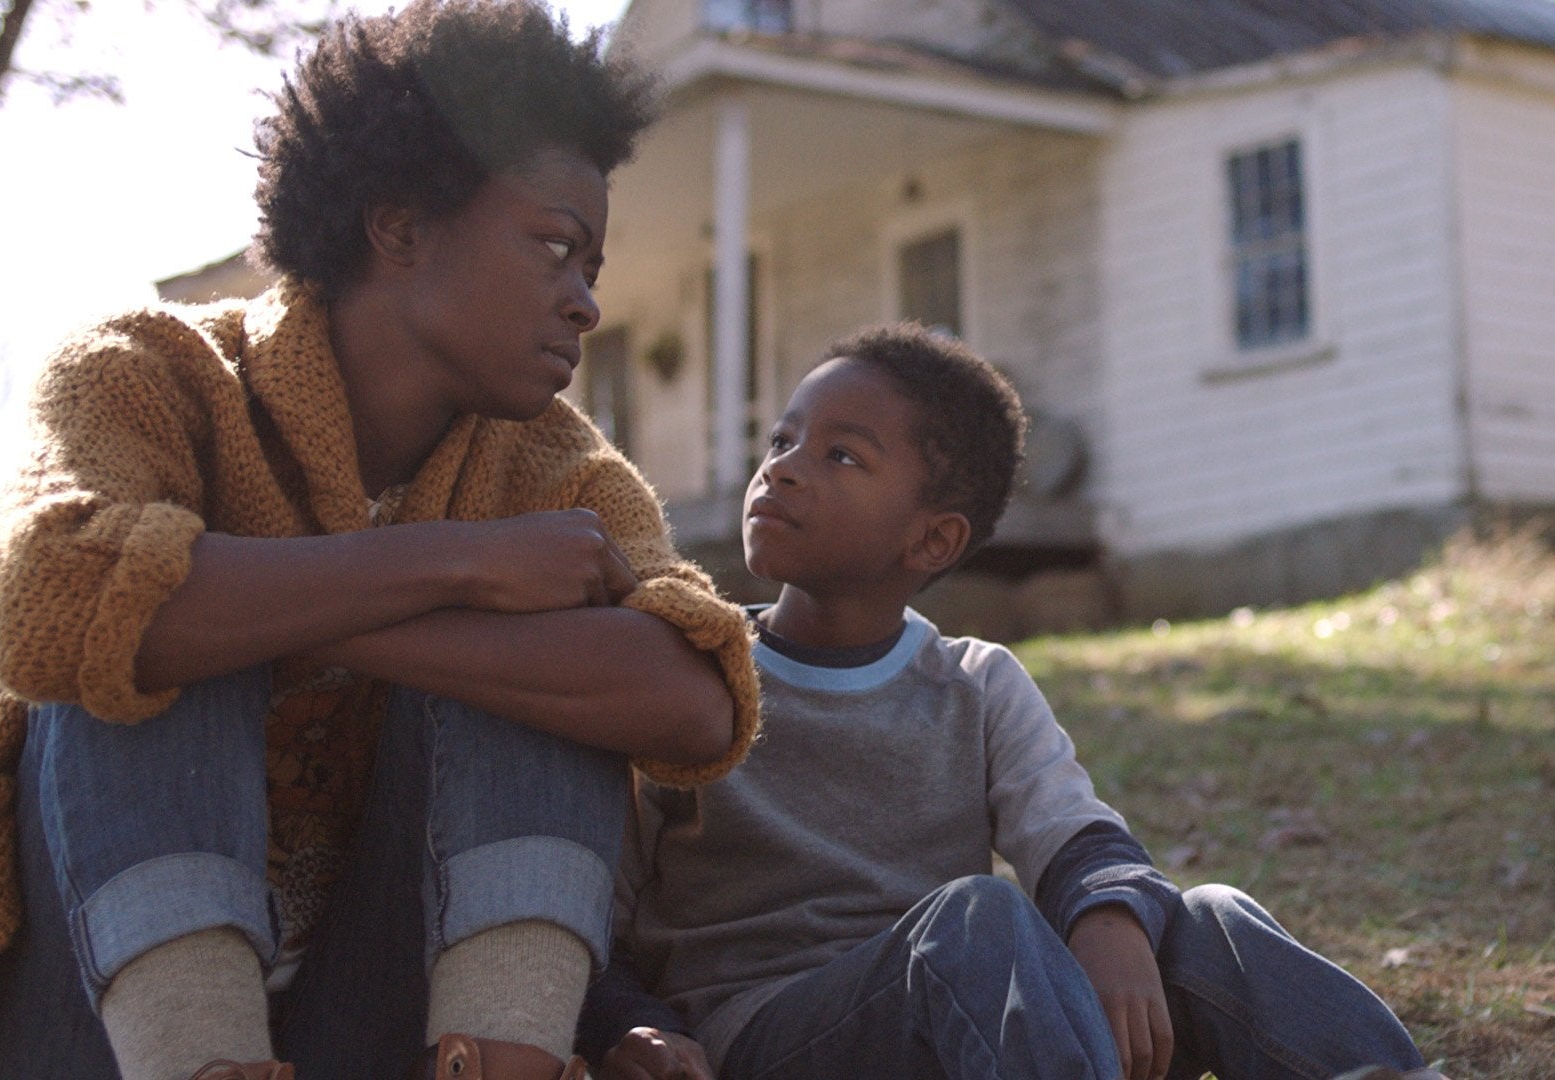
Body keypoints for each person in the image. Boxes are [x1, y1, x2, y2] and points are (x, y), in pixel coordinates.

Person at [0, 4, 760, 1079]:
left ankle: (501, 1059)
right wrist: (459, 567)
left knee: (549, 660)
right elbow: (45, 602)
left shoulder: (550, 464)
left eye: (593, 269)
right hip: (83, 1026)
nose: (586, 306)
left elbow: (694, 696)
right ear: (401, 226)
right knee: (137, 621)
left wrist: (360, 619)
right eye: (557, 249)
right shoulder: (146, 372)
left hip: (368, 1023)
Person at [575, 323, 1445, 1080]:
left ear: (933, 538)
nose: (784, 472)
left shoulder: (975, 682)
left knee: (1201, 920)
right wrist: (628, 1027)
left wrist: (1109, 920)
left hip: (983, 1026)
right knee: (981, 917)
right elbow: (595, 910)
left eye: (841, 455)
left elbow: (1070, 828)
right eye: (782, 441)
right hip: (769, 1038)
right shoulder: (690, 674)